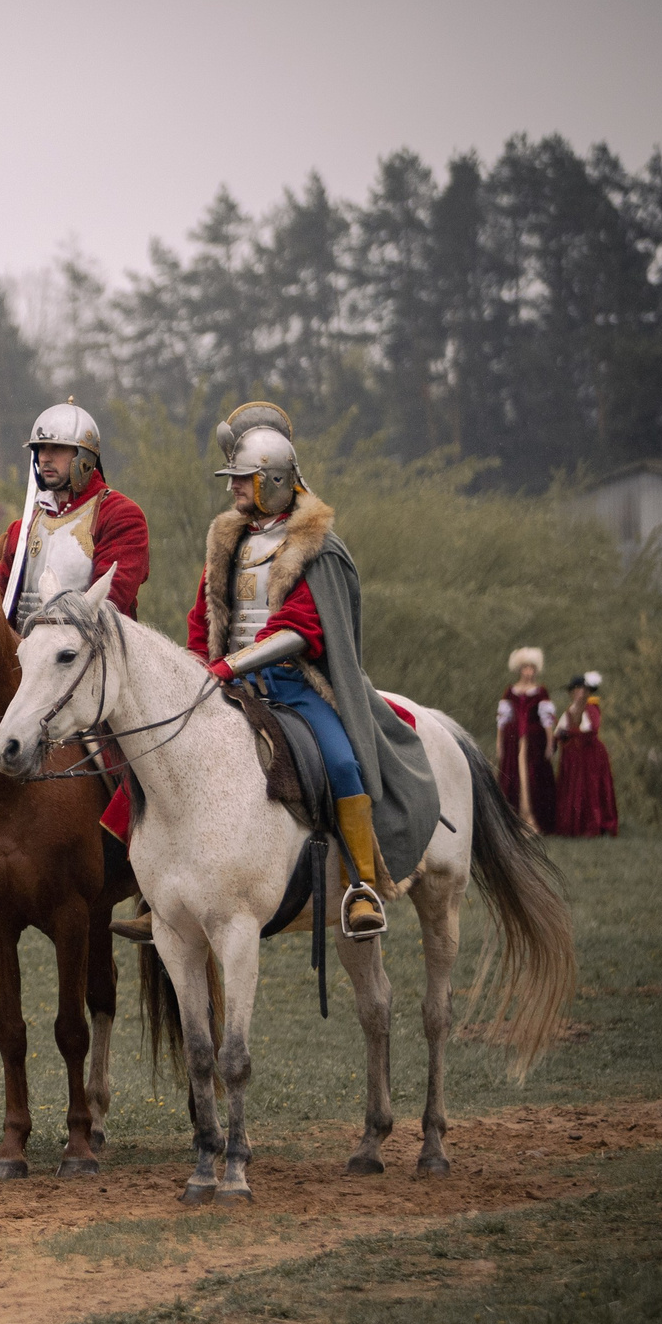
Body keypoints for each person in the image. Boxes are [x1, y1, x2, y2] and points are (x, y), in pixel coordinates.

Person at [146, 400, 440, 940]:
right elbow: (205, 613)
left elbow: (302, 628)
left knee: (343, 764)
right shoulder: (228, 540)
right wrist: (194, 670)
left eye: (243, 479)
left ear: (273, 481)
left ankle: (362, 886)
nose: (232, 489)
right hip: (225, 684)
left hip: (295, 685)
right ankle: (159, 887)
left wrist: (225, 666)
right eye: (233, 479)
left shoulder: (316, 547)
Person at [0, 399, 150, 919]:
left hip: (93, 663)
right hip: (28, 666)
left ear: (86, 458)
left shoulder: (119, 514)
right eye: (40, 450)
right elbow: (0, 602)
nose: (45, 459)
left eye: (57, 451)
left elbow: (114, 596)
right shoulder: (25, 528)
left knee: (135, 756)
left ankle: (148, 867)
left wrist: (54, 647)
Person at [553, 671, 619, 837]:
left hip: (591, 756)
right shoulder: (569, 710)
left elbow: (591, 730)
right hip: (573, 758)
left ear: (587, 692)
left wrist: (570, 733)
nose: (578, 693)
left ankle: (593, 826)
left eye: (581, 689)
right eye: (575, 690)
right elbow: (559, 732)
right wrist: (558, 739)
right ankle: (573, 827)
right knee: (573, 790)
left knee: (591, 790)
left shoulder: (591, 709)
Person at [497, 647, 557, 831]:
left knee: (535, 776)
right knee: (512, 775)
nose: (529, 672)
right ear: (519, 669)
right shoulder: (510, 692)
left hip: (534, 740)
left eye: (532, 668)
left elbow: (547, 720)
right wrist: (499, 743)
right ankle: (515, 820)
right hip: (513, 739)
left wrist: (549, 742)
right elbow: (502, 719)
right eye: (525, 668)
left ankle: (534, 820)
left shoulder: (540, 692)